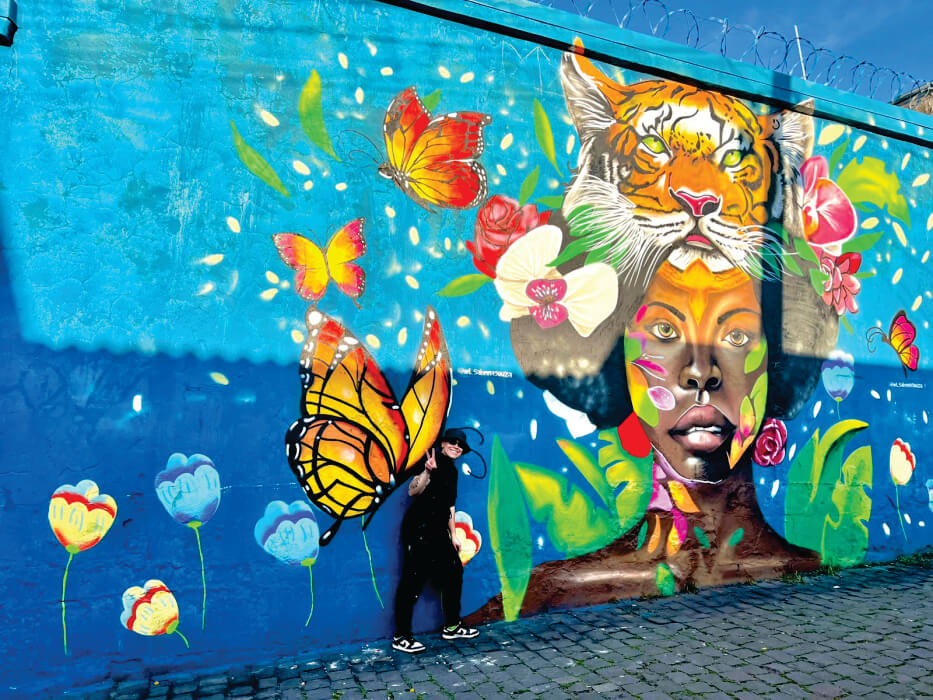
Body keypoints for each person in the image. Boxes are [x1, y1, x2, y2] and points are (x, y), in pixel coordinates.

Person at [392, 428, 480, 653]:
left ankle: (452, 626)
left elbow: (450, 507)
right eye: (452, 442)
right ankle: (401, 636)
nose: (457, 446)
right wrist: (427, 472)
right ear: (442, 444)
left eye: (461, 445)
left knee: (454, 572)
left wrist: (453, 535)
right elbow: (413, 491)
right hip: (419, 529)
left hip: (439, 530)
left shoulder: (453, 471)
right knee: (413, 580)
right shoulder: (430, 461)